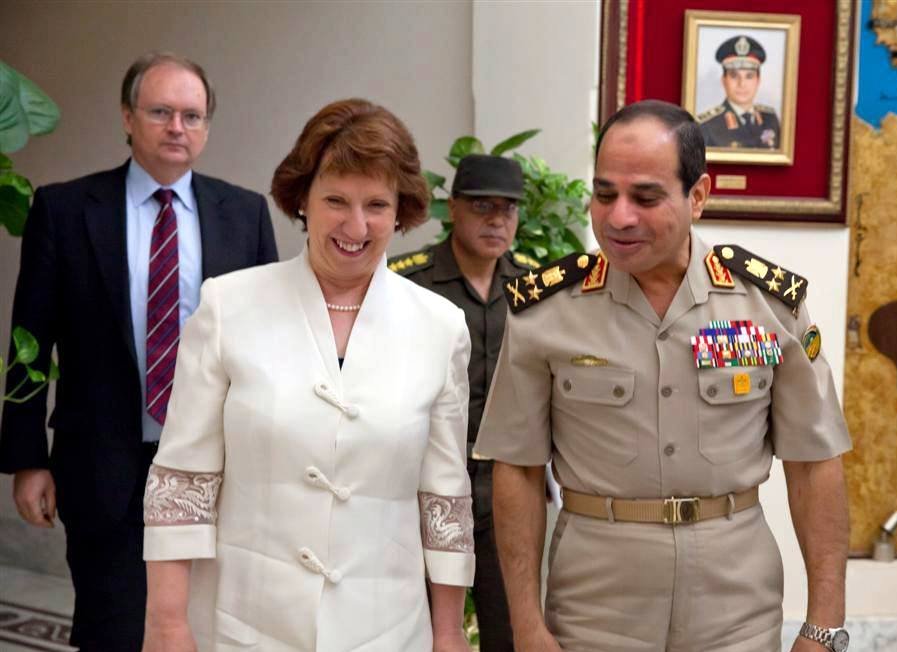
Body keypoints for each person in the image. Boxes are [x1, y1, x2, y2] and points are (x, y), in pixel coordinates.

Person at [475, 99, 852, 652]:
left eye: (645, 197)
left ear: (698, 195)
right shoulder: (547, 312)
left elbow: (815, 464)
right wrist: (527, 627)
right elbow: (517, 470)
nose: (618, 216)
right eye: (604, 195)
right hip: (593, 616)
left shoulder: (768, 308)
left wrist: (823, 626)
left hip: (736, 616)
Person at [141, 98, 474, 651]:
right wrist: (167, 624)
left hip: (388, 628)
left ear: (401, 212)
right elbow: (183, 481)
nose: (356, 225)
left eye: (377, 204)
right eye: (336, 201)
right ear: (303, 202)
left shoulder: (440, 327)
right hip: (244, 624)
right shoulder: (229, 307)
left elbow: (443, 497)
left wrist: (448, 633)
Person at [0, 52, 278, 651]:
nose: (177, 127)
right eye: (160, 112)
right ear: (128, 118)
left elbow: (269, 348)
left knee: (203, 628)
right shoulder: (66, 210)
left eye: (192, 115)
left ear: (207, 127)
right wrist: (27, 459)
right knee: (115, 629)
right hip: (103, 468)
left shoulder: (245, 213)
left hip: (216, 469)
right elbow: (30, 341)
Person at [389, 153, 539, 652]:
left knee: (513, 630)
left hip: (508, 490)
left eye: (508, 209)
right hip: (421, 486)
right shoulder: (406, 283)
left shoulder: (536, 289)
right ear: (452, 208)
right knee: (421, 630)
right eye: (482, 206)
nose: (497, 219)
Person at [698, 35, 782, 149]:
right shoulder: (708, 125)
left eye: (749, 76)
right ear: (724, 80)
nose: (742, 84)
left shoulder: (770, 119)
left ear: (758, 81)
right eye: (734, 76)